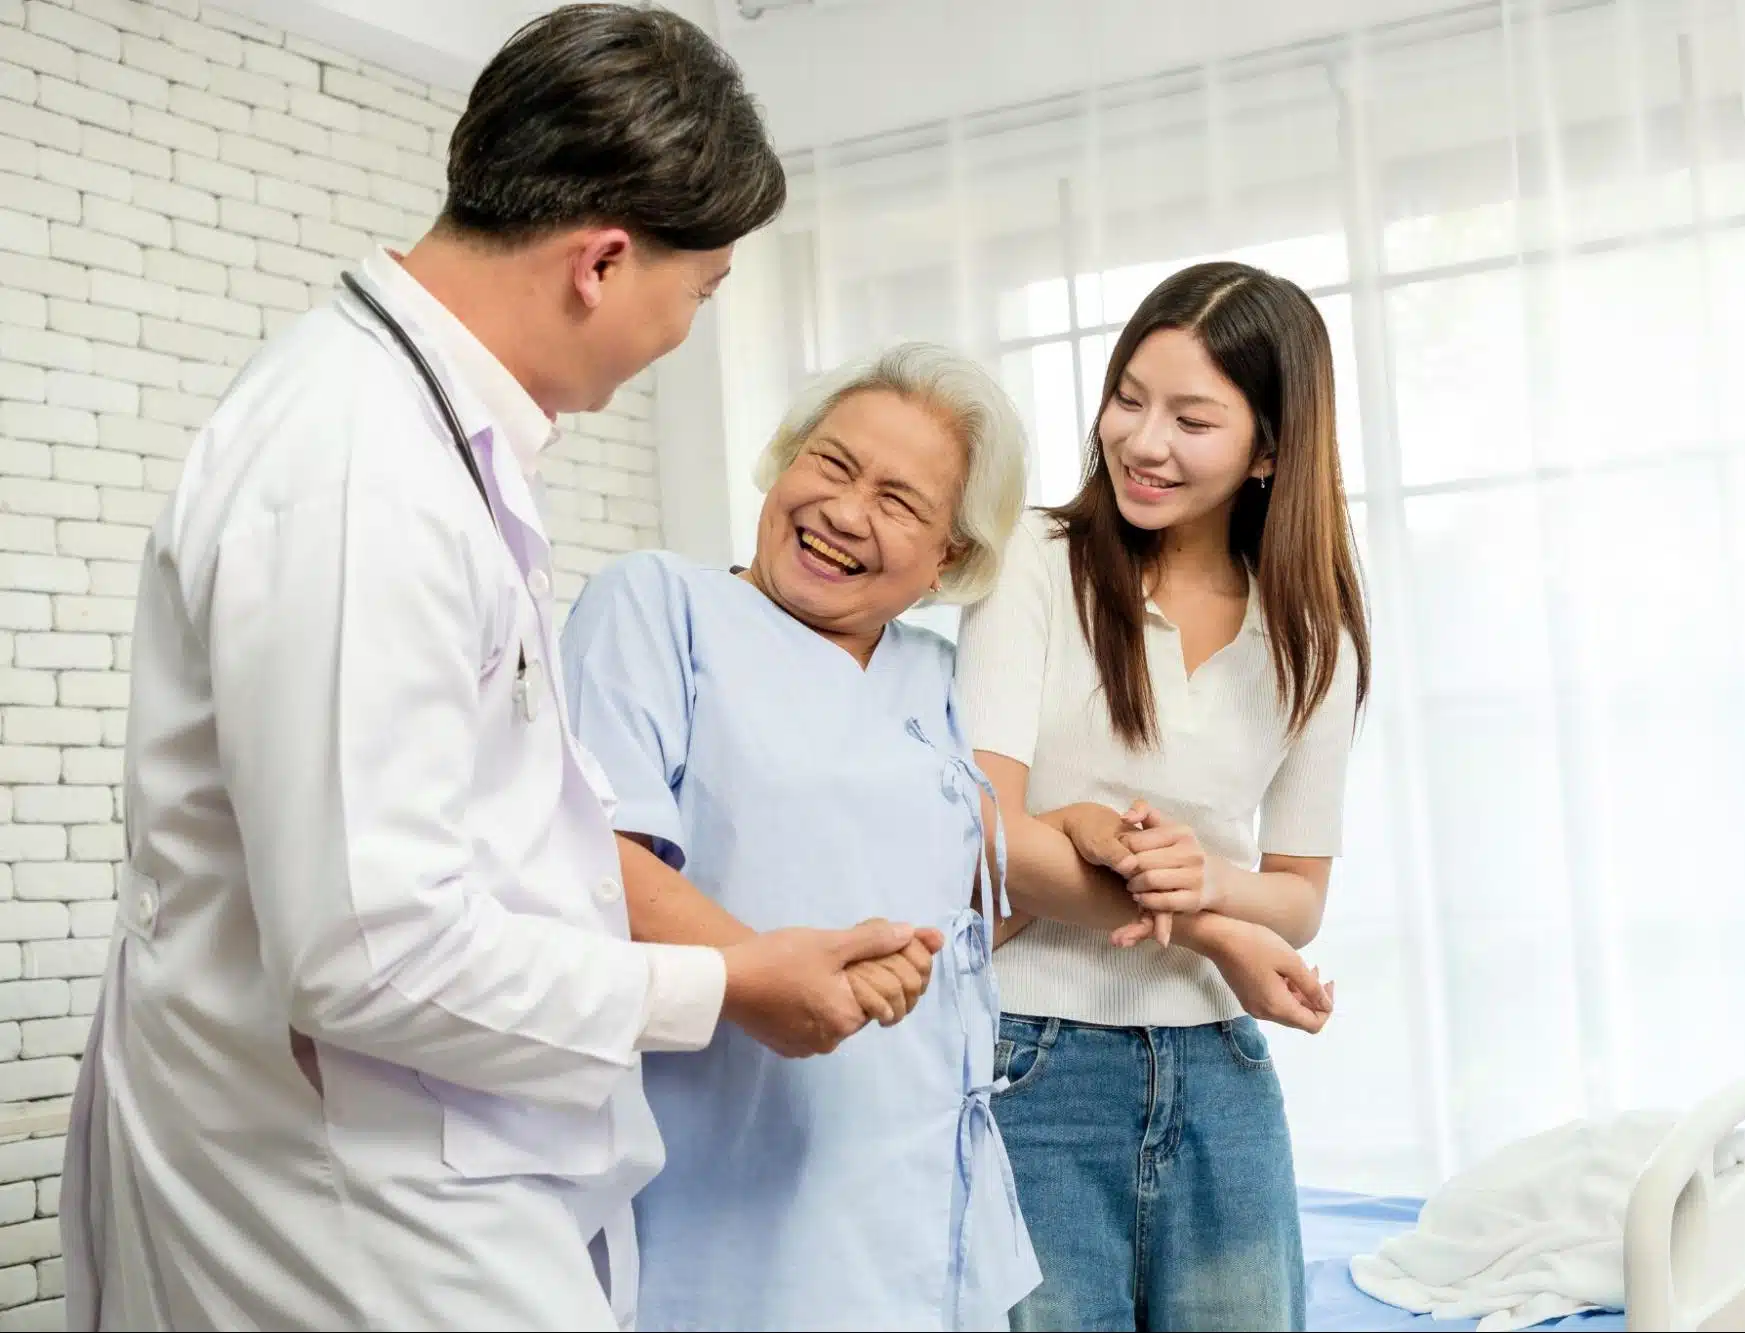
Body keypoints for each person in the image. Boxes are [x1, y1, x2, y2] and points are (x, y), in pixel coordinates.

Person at [59, 8, 939, 1331]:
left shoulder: (425, 437)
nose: (679, 336)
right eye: (695, 297)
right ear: (601, 260)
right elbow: (368, 952)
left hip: (420, 1159)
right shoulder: (365, 469)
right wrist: (726, 982)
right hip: (352, 1194)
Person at [558, 343, 1042, 1331]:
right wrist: (763, 980)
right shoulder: (661, 604)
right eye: (829, 462)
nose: (844, 512)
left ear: (950, 552)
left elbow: (971, 903)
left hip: (927, 1206)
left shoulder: (933, 676)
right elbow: (593, 860)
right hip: (729, 1192)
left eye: (900, 501)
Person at [954, 261, 1371, 1332]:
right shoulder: (1037, 565)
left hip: (1222, 1069)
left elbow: (1296, 899)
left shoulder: (1312, 631)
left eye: (1193, 418)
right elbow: (979, 834)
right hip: (1029, 1057)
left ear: (1269, 448)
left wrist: (1209, 891)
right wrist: (1210, 927)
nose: (1142, 441)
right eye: (1128, 398)